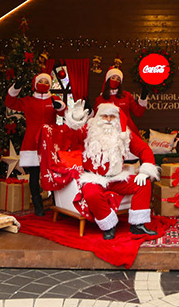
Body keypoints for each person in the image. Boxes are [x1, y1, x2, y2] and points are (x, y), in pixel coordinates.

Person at [64, 100, 159, 240]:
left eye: (112, 116)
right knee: (91, 194)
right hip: (94, 178)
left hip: (117, 178)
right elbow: (71, 135)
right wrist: (76, 119)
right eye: (105, 116)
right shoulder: (88, 130)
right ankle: (109, 225)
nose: (108, 119)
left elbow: (144, 149)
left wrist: (145, 170)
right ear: (98, 117)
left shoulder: (124, 134)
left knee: (144, 184)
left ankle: (138, 225)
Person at [6, 72, 66, 215]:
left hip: (49, 142)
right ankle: (38, 205)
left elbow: (64, 114)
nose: (43, 84)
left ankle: (58, 204)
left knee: (54, 174)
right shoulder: (28, 101)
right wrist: (15, 89)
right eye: (41, 81)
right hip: (32, 142)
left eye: (46, 82)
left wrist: (60, 107)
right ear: (35, 84)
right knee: (34, 175)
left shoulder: (54, 99)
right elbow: (10, 103)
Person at [94, 68, 149, 133]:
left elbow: (138, 113)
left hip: (126, 131)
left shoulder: (126, 96)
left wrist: (143, 97)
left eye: (118, 79)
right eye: (113, 78)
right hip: (107, 132)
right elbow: (96, 118)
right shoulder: (100, 99)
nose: (115, 81)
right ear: (108, 80)